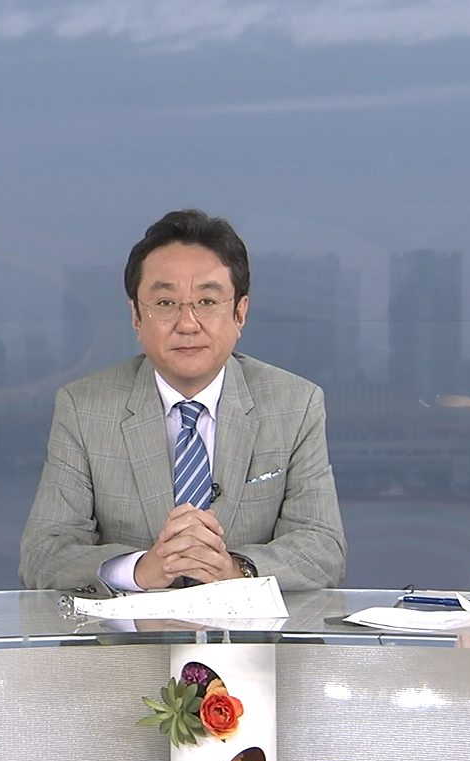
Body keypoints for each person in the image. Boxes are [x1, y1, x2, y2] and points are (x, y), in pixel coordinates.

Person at [19, 209, 346, 592]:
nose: (187, 324)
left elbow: (323, 549)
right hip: (131, 629)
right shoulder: (84, 408)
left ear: (240, 313)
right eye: (165, 303)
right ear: (136, 316)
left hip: (248, 629)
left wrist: (234, 570)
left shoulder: (296, 404)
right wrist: (140, 570)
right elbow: (43, 555)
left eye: (207, 301)